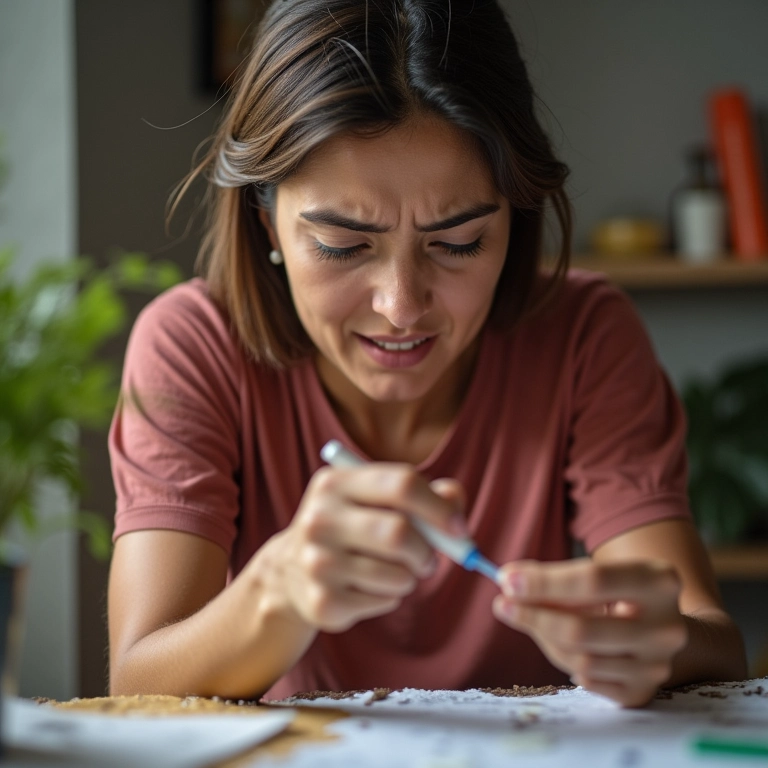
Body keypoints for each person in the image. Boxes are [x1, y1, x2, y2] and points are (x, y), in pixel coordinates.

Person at [107, 0, 746, 708]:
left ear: (515, 216)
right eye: (344, 246)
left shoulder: (584, 337)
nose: (401, 305)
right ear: (268, 223)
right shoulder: (193, 348)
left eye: (459, 242)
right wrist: (275, 592)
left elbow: (713, 637)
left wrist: (658, 643)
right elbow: (136, 683)